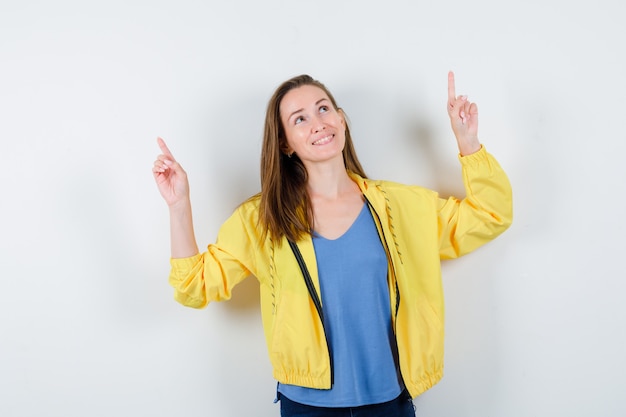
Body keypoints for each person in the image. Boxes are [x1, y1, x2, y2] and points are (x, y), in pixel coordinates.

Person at [152, 72, 513, 417]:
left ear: (341, 120)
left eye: (324, 108)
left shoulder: (400, 207)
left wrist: (468, 142)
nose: (318, 123)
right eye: (300, 119)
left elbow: (491, 214)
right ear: (284, 143)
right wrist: (179, 205)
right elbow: (193, 287)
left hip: (390, 401)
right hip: (307, 407)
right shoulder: (263, 219)